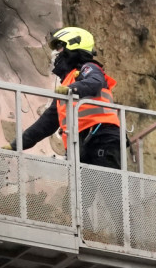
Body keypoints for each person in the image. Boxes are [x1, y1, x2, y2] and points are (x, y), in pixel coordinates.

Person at [9, 26, 122, 170]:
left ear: (73, 45)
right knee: (81, 192)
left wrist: (71, 89)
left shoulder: (88, 68)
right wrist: (16, 145)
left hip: (102, 137)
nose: (56, 52)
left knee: (111, 190)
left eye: (60, 47)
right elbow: (46, 123)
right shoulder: (68, 84)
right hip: (79, 145)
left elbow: (96, 81)